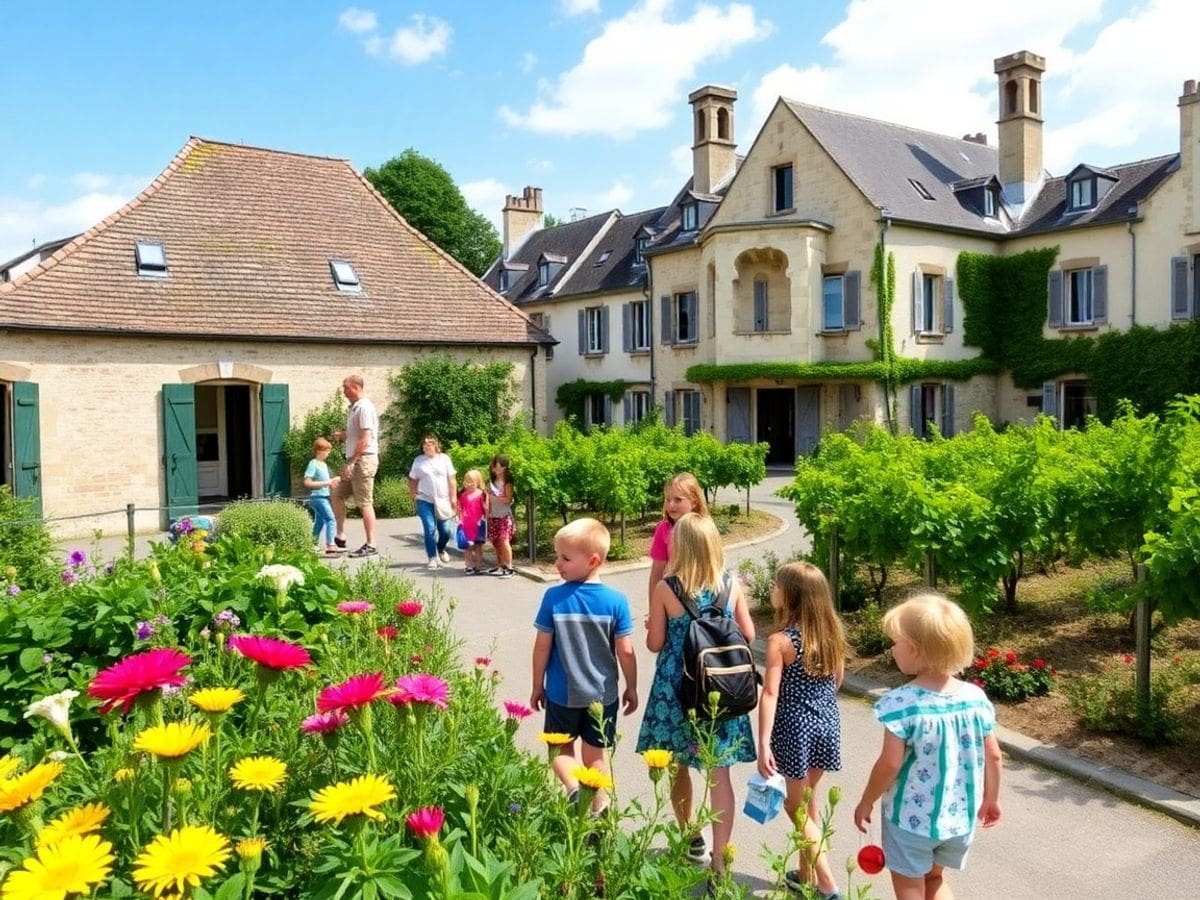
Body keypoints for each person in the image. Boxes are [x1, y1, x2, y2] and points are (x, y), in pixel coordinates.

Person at [853, 592, 1003, 900]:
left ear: (916, 650)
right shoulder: (975, 699)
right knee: (935, 880)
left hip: (910, 822)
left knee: (910, 887)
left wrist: (867, 800)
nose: (891, 648)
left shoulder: (900, 704)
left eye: (895, 642)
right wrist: (991, 799)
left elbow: (890, 764)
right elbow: (994, 755)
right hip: (957, 821)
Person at [636, 512, 755, 879]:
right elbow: (748, 634)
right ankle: (721, 861)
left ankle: (691, 836)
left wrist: (656, 626)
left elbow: (655, 643)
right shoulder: (729, 584)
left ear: (680, 546)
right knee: (721, 778)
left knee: (678, 766)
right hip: (721, 689)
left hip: (678, 690)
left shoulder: (667, 588)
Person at [531, 517, 638, 811]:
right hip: (603, 696)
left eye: (565, 558)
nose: (557, 564)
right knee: (596, 757)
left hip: (561, 694)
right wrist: (632, 687)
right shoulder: (616, 601)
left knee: (560, 750)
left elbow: (542, 645)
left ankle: (575, 789)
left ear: (593, 560)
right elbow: (626, 651)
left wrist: (536, 684)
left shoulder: (553, 597)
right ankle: (599, 810)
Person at [757, 562, 847, 900]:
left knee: (794, 808)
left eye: (776, 586)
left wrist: (764, 742)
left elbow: (770, 693)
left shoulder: (780, 641)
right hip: (827, 723)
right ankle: (806, 875)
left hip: (794, 728)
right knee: (808, 801)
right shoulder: (832, 634)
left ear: (789, 595)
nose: (772, 590)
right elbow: (837, 680)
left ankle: (829, 887)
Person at [331, 374, 380, 558]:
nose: (343, 391)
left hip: (363, 461)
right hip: (355, 460)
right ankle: (341, 536)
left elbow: (366, 438)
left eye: (346, 387)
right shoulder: (354, 408)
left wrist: (352, 462)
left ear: (356, 387)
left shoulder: (364, 407)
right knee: (336, 494)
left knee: (364, 502)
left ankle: (371, 544)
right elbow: (358, 434)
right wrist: (345, 435)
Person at [647, 473, 710, 603]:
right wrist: (653, 608)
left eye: (678, 500)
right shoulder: (664, 529)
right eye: (668, 500)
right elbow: (656, 574)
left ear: (694, 501)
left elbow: (713, 564)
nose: (671, 505)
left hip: (703, 594)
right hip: (673, 594)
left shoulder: (704, 528)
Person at [407, 434, 457, 570]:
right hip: (425, 499)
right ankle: (432, 558)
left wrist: (453, 497)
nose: (427, 445)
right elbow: (412, 479)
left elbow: (452, 479)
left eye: (430, 443)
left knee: (445, 530)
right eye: (424, 443)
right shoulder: (418, 461)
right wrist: (414, 494)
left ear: (436, 445)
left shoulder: (444, 459)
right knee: (429, 529)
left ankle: (441, 548)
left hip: (443, 499)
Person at [303, 438, 341, 555]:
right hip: (317, 497)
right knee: (331, 519)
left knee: (319, 522)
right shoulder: (313, 463)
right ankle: (330, 545)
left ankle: (311, 544)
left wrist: (334, 482)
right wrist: (328, 483)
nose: (328, 453)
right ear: (320, 451)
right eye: (327, 450)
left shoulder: (323, 465)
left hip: (324, 496)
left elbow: (328, 482)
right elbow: (307, 482)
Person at [486, 454, 516, 578]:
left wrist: (495, 495)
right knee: (496, 541)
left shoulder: (507, 483)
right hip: (493, 515)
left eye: (497, 465)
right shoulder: (492, 482)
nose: (494, 468)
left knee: (504, 540)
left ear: (503, 467)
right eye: (493, 466)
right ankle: (501, 565)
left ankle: (509, 568)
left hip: (504, 515)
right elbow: (486, 498)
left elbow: (508, 499)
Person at [458, 468, 487, 575]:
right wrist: (459, 519)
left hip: (478, 523)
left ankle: (479, 565)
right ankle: (468, 565)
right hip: (466, 523)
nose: (470, 484)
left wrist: (486, 516)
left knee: (478, 545)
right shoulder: (463, 495)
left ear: (478, 482)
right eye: (468, 481)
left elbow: (485, 508)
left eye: (473, 482)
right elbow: (459, 508)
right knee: (468, 546)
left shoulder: (481, 494)